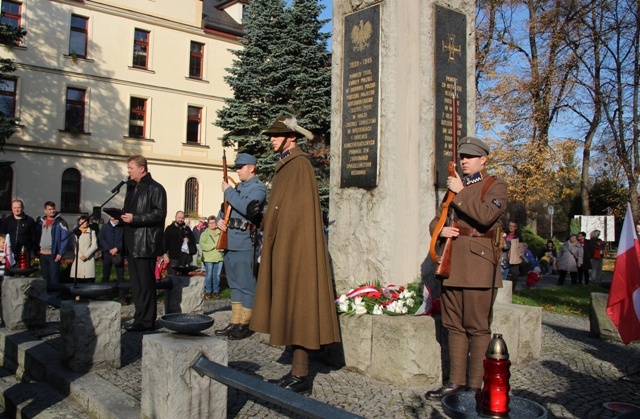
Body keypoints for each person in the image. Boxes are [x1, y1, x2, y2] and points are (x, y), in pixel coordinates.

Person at [250, 116, 341, 394]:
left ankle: (301, 375)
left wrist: (278, 232)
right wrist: (264, 220)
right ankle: (297, 372)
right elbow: (283, 208)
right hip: (286, 244)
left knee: (300, 306)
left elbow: (298, 214)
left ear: (291, 137)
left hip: (296, 247)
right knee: (292, 303)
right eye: (271, 135)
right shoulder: (286, 164)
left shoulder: (298, 164)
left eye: (276, 135)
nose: (271, 139)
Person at [425, 136, 508, 400]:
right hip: (451, 266)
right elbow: (437, 219)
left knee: (476, 327)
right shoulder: (454, 189)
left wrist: (461, 192)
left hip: (478, 267)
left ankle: (476, 386)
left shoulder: (494, 186)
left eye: (470, 157)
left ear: (483, 159)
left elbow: (485, 216)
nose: (464, 161)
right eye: (462, 157)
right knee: (454, 326)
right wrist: (440, 229)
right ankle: (455, 382)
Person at [214, 153, 266, 340]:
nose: (237, 170)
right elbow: (223, 208)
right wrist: (220, 220)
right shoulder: (237, 187)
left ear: (251, 168)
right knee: (234, 283)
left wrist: (229, 191)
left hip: (245, 240)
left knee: (246, 283)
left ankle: (246, 323)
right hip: (229, 239)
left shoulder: (257, 188)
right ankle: (235, 321)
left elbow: (246, 206)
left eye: (240, 167)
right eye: (236, 167)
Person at [121, 155, 167, 332]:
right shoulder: (132, 188)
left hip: (145, 243)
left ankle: (148, 321)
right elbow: (131, 212)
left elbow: (160, 214)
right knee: (136, 284)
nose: (129, 171)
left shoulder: (155, 188)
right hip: (132, 242)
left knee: (146, 284)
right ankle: (139, 317)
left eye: (131, 167)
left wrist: (136, 218)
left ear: (141, 168)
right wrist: (121, 218)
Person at [36, 201, 71, 285]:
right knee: (45, 277)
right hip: (42, 254)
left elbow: (65, 239)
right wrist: (36, 250)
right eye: (50, 209)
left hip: (53, 254)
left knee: (54, 278)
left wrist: (60, 253)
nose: (52, 211)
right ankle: (45, 296)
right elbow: (36, 236)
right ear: (45, 210)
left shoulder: (60, 222)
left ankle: (55, 295)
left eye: (53, 209)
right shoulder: (40, 222)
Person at [0, 199, 37, 266]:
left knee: (23, 273)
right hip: (9, 253)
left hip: (24, 252)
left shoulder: (29, 221)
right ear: (12, 208)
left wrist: (32, 249)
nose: (16, 210)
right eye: (14, 208)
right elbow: (2, 236)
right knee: (9, 273)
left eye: (18, 207)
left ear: (22, 208)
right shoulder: (7, 221)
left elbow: (34, 236)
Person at [99, 215, 127, 304]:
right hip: (107, 254)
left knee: (121, 276)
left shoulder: (122, 227)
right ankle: (104, 294)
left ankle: (122, 297)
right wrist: (108, 249)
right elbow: (101, 238)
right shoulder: (105, 227)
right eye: (115, 218)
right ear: (111, 218)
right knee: (106, 275)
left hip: (118, 254)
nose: (117, 220)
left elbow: (124, 239)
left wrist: (117, 248)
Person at [200, 215, 223, 299]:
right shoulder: (204, 234)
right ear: (208, 224)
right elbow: (203, 245)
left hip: (219, 257)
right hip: (208, 257)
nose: (212, 224)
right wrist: (214, 245)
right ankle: (208, 291)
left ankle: (216, 291)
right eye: (210, 223)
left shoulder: (221, 232)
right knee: (209, 275)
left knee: (217, 275)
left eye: (214, 223)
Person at [70, 215, 98, 283]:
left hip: (89, 258)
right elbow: (74, 245)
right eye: (81, 221)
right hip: (79, 259)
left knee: (88, 279)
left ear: (88, 223)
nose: (82, 223)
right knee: (78, 278)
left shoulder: (92, 232)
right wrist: (80, 255)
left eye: (84, 222)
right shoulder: (75, 233)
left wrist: (86, 255)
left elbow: (94, 245)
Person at [501, 221, 523, 291]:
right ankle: (502, 289)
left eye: (513, 226)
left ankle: (512, 290)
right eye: (510, 225)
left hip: (514, 258)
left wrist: (519, 255)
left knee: (514, 275)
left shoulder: (518, 236)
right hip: (504, 257)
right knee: (503, 273)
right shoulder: (505, 234)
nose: (511, 227)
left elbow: (522, 246)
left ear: (516, 227)